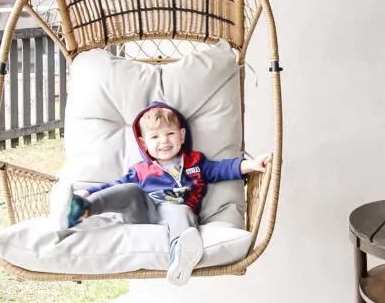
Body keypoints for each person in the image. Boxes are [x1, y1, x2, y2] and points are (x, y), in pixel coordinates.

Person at [62, 101, 270, 286]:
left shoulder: (195, 163)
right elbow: (116, 186)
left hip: (176, 215)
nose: (164, 141)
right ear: (144, 143)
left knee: (179, 210)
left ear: (181, 135)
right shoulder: (140, 170)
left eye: (170, 134)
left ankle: (180, 256)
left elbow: (222, 168)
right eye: (155, 136)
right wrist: (90, 191)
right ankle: (82, 208)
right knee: (130, 190)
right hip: (144, 213)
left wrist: (251, 164)